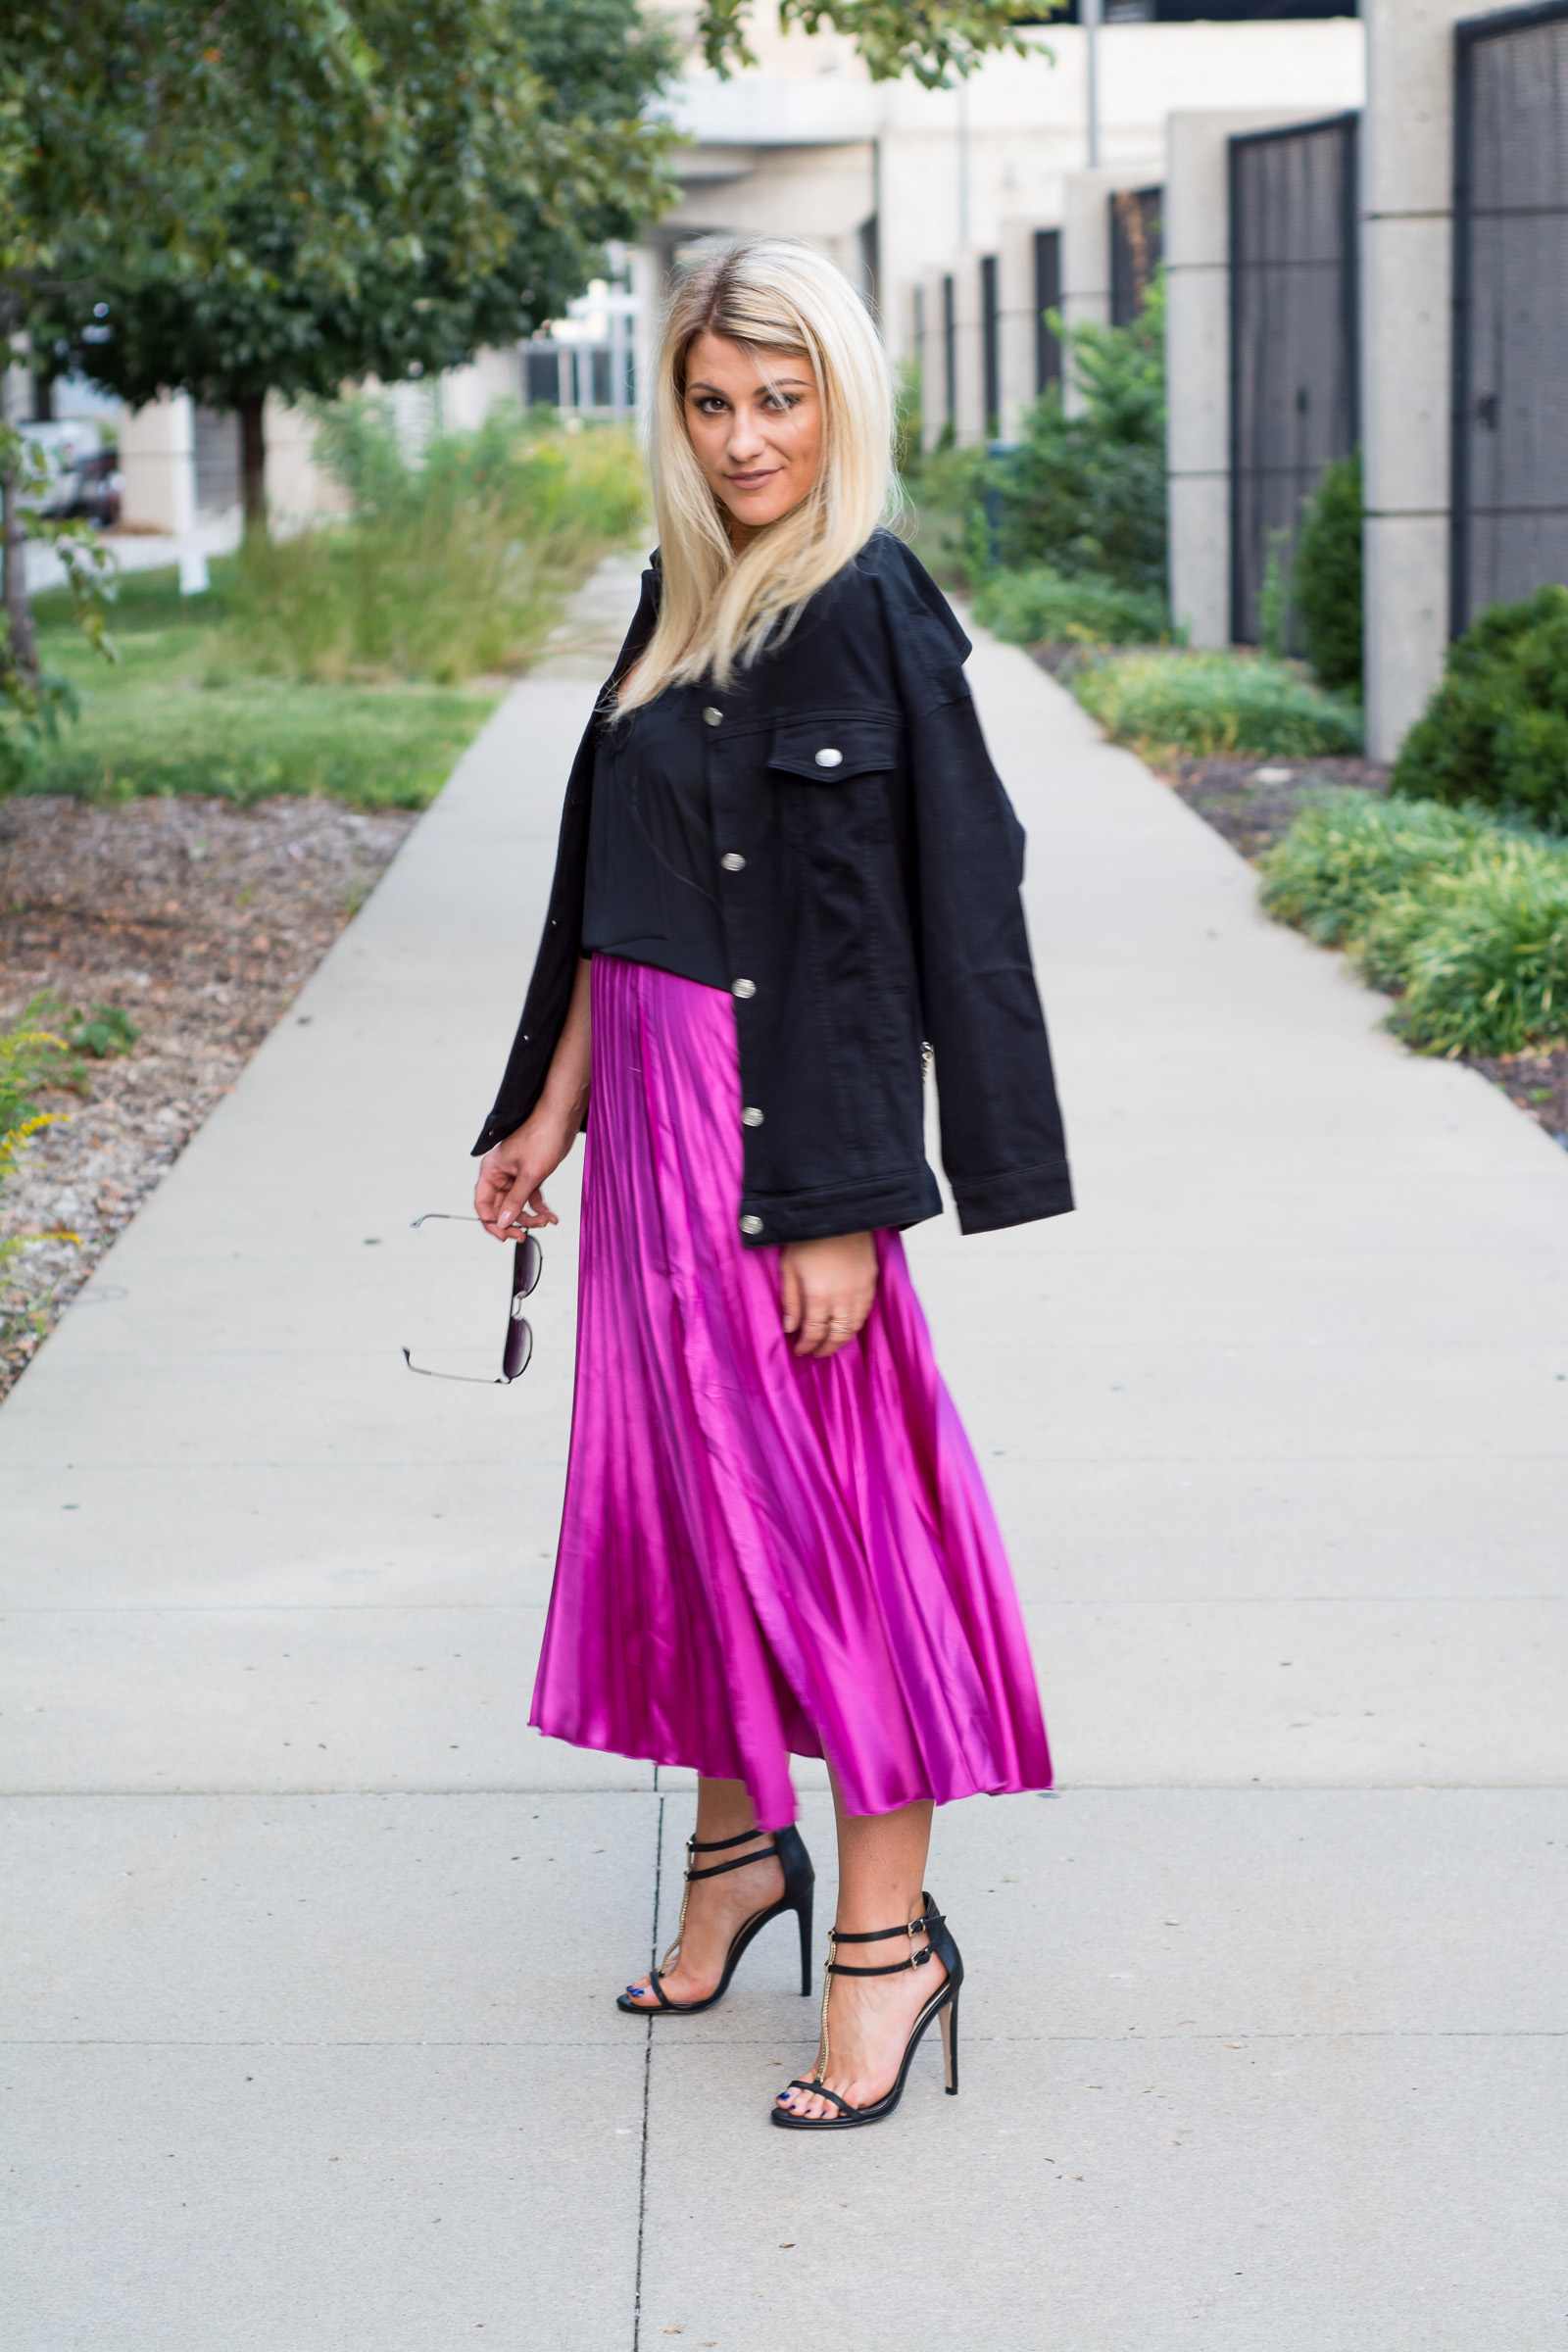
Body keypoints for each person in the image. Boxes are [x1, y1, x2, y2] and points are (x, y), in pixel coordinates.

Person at [472, 237, 1071, 2131]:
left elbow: (927, 921)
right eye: (714, 402)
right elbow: (615, 904)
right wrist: (543, 1113)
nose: (745, 439)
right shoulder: (676, 602)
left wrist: (846, 1195)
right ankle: (743, 1858)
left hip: (769, 1145)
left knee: (841, 1536)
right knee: (690, 1517)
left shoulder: (873, 606)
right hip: (645, 1138)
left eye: (782, 399)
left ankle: (889, 1946)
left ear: (844, 400)